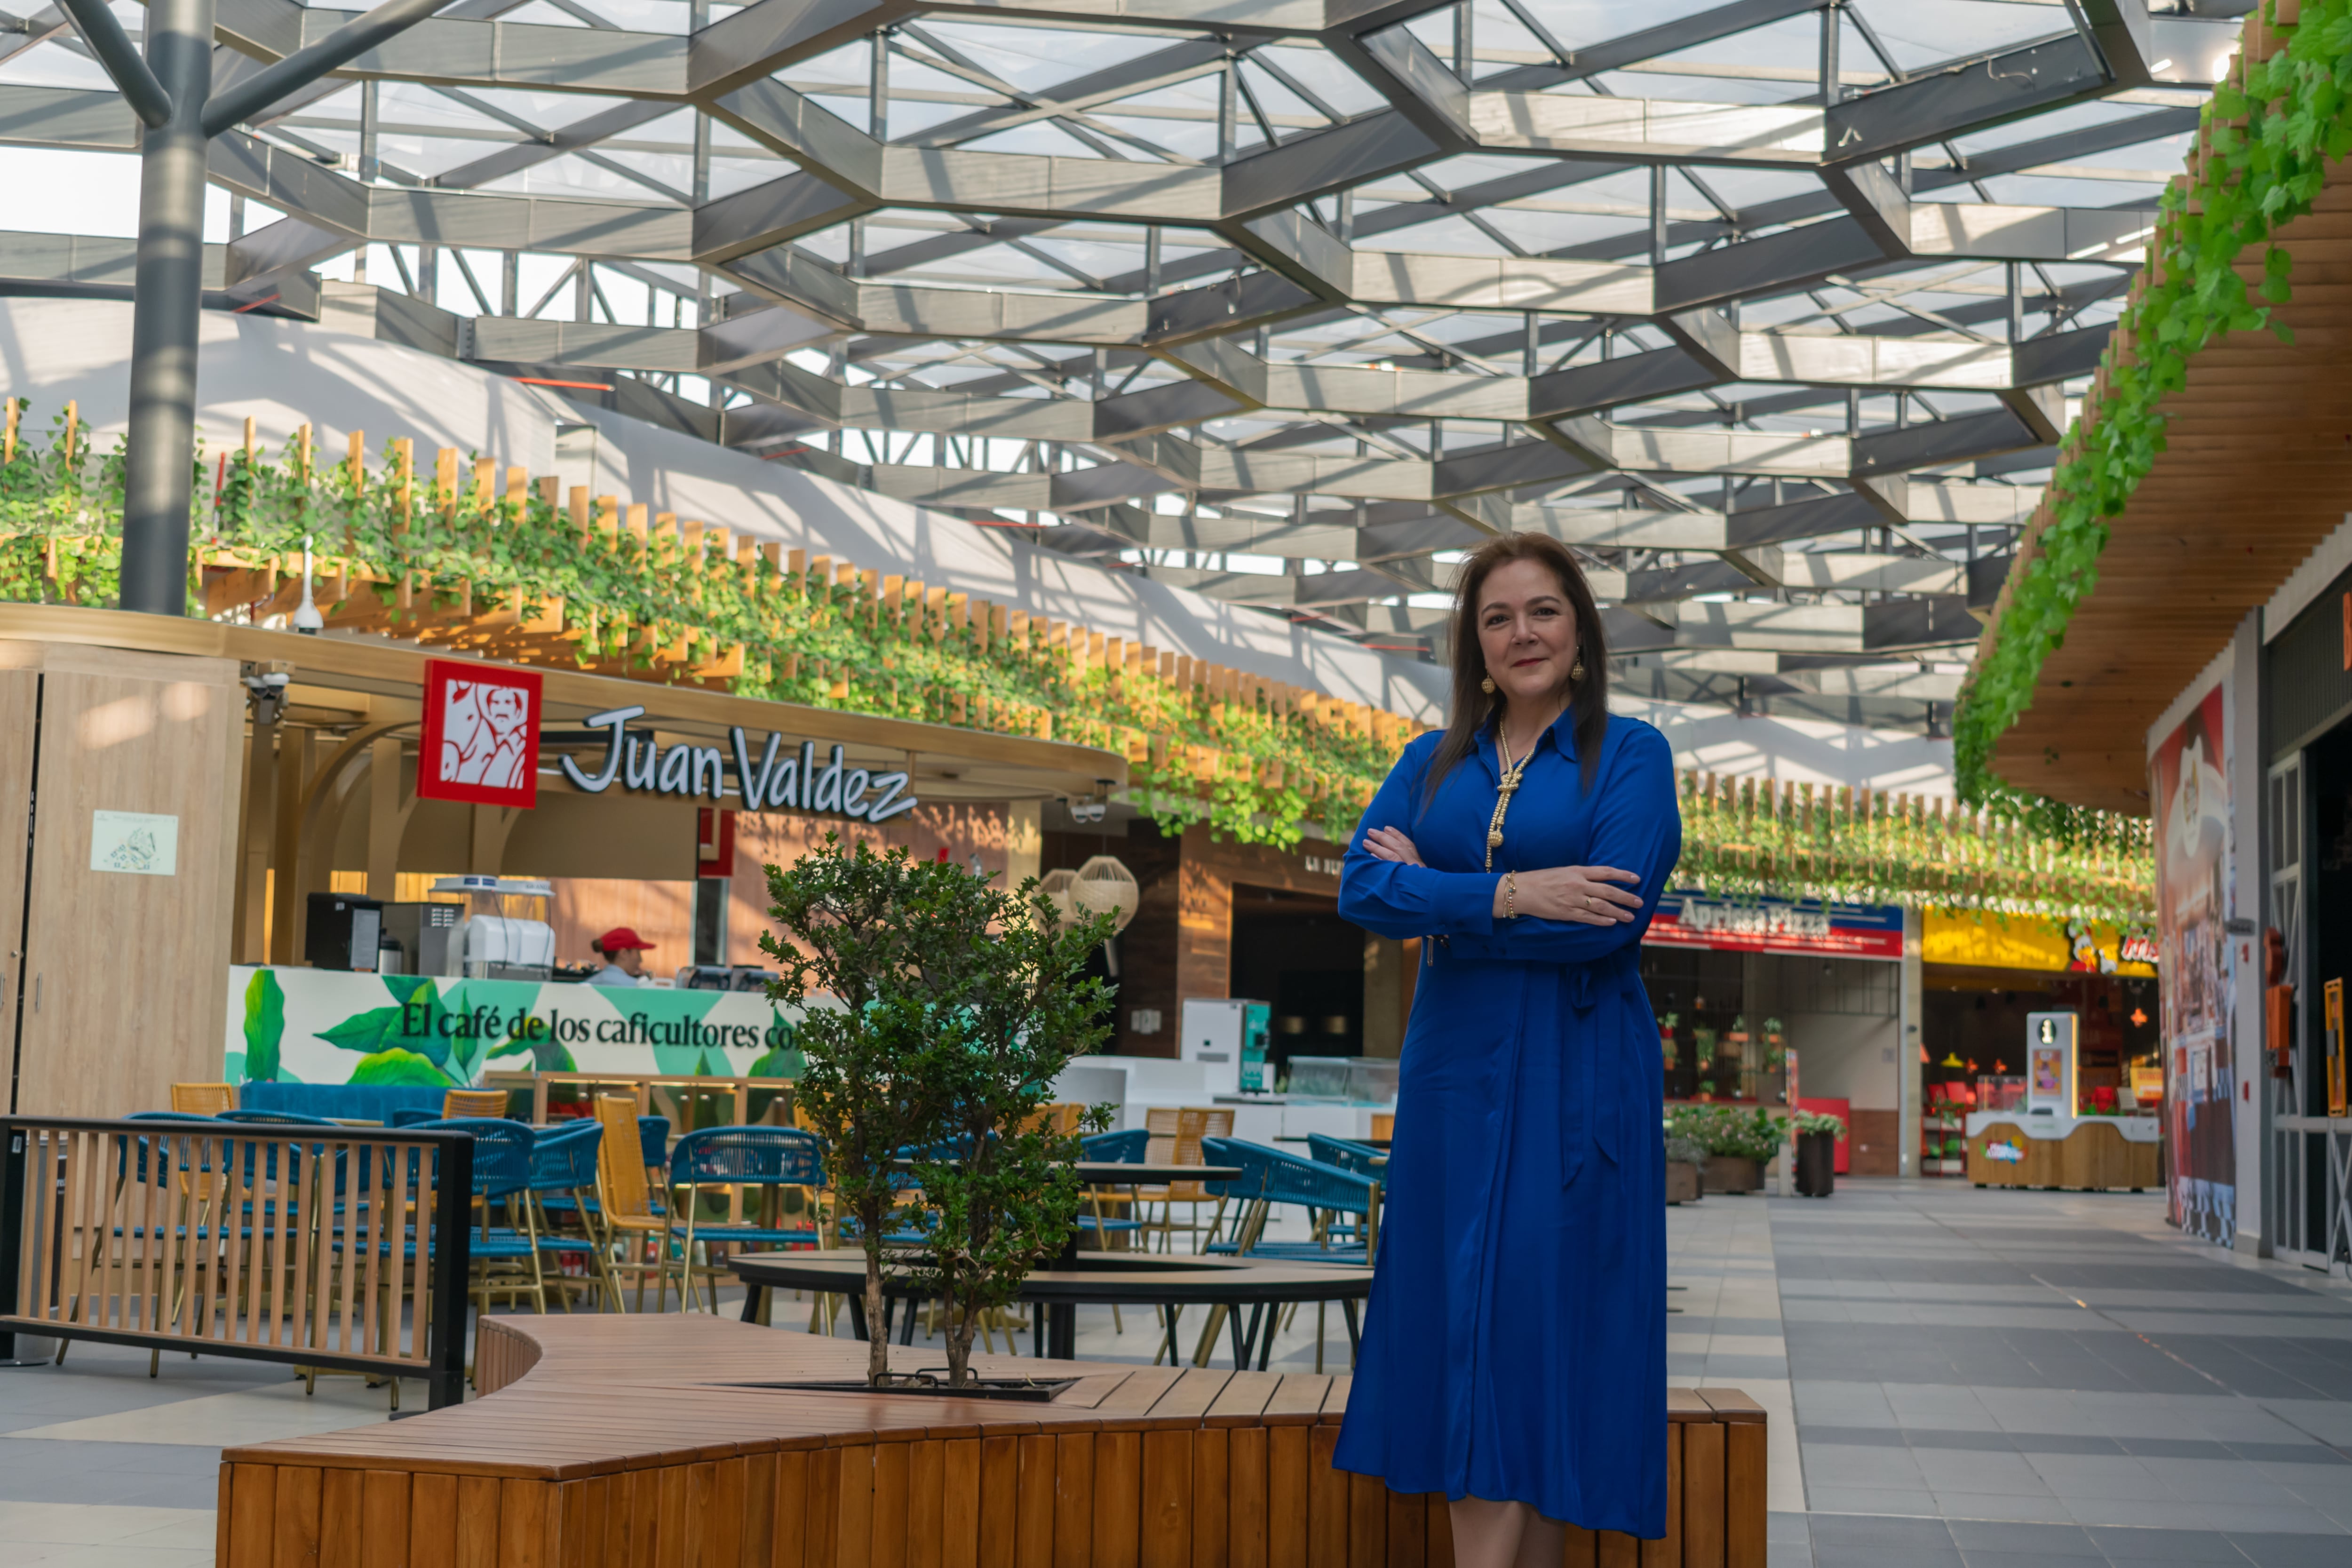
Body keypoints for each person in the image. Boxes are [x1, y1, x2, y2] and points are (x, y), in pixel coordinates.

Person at [1333, 533, 1680, 1568]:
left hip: (1580, 1075)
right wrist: (1511, 891)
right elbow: (1360, 888)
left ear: (1578, 630)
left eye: (1541, 610)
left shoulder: (1631, 754)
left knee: (1544, 1326)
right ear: (1472, 645)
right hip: (1452, 1078)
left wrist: (1436, 901)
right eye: (1496, 617)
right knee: (1462, 1322)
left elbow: (1607, 918)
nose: (1520, 632)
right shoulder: (1427, 762)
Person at [584, 927, 654, 987]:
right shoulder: (637, 986)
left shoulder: (588, 984)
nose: (641, 960)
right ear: (624, 953)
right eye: (638, 953)